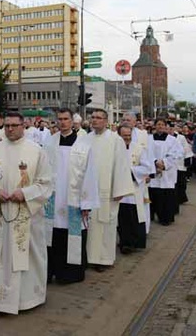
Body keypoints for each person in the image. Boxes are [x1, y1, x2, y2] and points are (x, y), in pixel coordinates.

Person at [0, 112, 53, 315]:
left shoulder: (36, 151)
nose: (10, 129)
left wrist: (25, 193)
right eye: (7, 126)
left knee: (26, 255)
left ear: (23, 126)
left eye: (14, 125)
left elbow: (46, 183)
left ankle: (27, 300)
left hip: (25, 214)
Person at [43, 108, 97, 285]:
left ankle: (70, 273)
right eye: (59, 119)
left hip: (74, 199)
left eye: (66, 119)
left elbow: (90, 174)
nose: (62, 122)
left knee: (72, 235)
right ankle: (52, 271)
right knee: (53, 235)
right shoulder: (49, 142)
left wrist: (87, 202)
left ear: (72, 121)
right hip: (53, 197)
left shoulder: (83, 144)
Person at [85, 108, 133, 271]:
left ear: (106, 121)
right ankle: (88, 257)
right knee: (89, 226)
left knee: (105, 225)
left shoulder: (115, 140)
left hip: (107, 191)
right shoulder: (85, 138)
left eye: (99, 118)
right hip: (89, 191)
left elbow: (121, 165)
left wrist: (119, 190)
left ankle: (103, 259)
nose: (95, 120)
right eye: (93, 117)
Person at [117, 125, 150, 253]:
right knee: (122, 218)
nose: (127, 138)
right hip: (120, 188)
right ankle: (124, 242)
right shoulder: (114, 148)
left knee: (134, 216)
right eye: (124, 135)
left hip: (134, 187)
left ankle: (135, 242)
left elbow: (146, 166)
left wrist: (131, 172)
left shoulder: (139, 148)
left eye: (129, 135)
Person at [148, 119, 183, 226]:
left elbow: (177, 153)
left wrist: (164, 164)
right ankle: (151, 216)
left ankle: (165, 218)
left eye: (162, 124)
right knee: (153, 194)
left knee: (166, 196)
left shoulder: (172, 140)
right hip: (153, 169)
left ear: (165, 126)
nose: (160, 126)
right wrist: (155, 162)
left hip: (167, 172)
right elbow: (145, 152)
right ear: (155, 126)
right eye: (158, 124)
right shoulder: (148, 139)